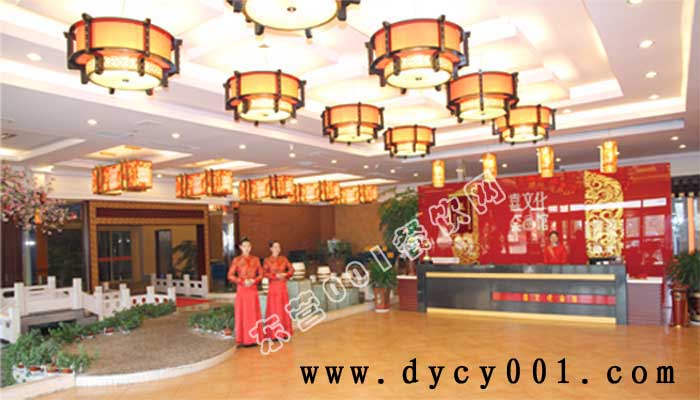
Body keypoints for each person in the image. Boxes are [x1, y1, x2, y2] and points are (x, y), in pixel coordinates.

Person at [227, 237, 263, 347]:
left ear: (251, 247)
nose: (247, 248)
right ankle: (243, 339)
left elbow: (261, 274)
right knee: (243, 313)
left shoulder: (255, 259)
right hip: (242, 290)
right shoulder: (237, 260)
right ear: (240, 247)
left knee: (253, 313)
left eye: (248, 246)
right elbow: (230, 275)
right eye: (244, 246)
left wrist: (254, 280)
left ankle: (254, 338)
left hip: (252, 289)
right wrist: (242, 281)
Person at [263, 241, 294, 340]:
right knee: (274, 309)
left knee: (283, 309)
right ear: (271, 249)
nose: (277, 249)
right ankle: (273, 333)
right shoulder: (267, 260)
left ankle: (284, 332)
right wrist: (274, 276)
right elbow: (264, 273)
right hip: (273, 287)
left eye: (278, 247)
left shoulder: (284, 259)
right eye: (275, 247)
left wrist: (285, 274)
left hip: (282, 287)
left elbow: (291, 270)